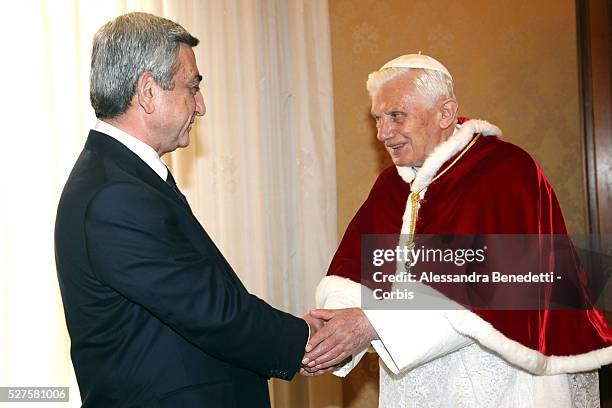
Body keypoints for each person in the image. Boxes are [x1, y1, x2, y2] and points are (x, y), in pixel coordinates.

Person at [302, 53, 612, 406]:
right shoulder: (392, 185)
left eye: (395, 116)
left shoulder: (506, 171)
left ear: (445, 113)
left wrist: (373, 324)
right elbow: (356, 274)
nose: (383, 133)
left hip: (501, 378)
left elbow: (502, 288)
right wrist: (327, 334)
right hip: (414, 379)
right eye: (377, 118)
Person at [55, 12, 321, 408]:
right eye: (192, 87)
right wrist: (309, 340)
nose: (201, 106)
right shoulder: (116, 195)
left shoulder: (119, 177)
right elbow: (210, 310)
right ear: (148, 91)